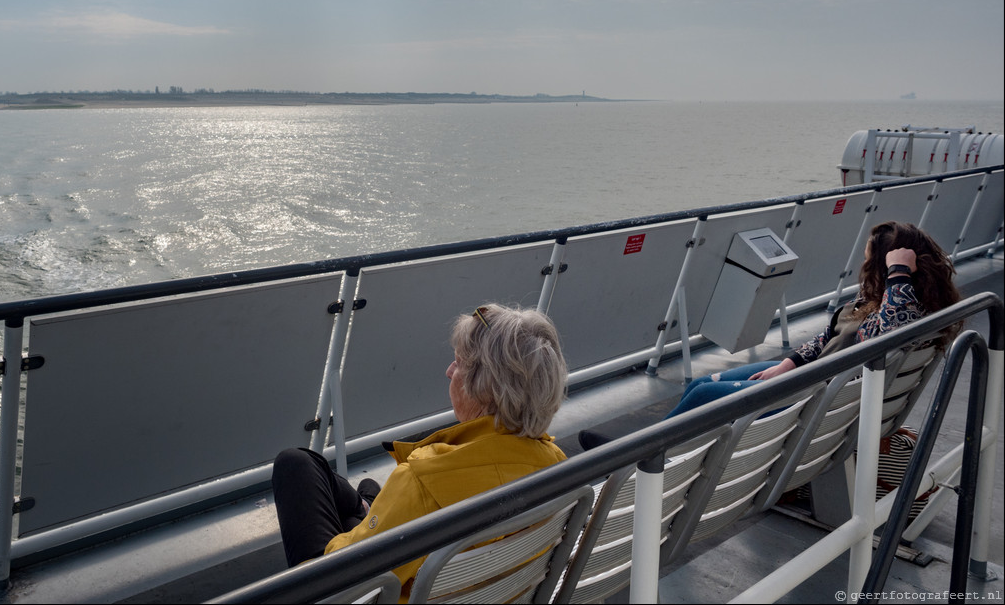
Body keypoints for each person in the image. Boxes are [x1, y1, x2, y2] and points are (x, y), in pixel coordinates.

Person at [272, 303, 568, 598]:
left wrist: (347, 541)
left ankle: (369, 508)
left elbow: (341, 582)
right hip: (499, 590)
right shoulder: (558, 467)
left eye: (460, 363)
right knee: (360, 488)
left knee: (295, 465)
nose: (449, 371)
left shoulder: (423, 480)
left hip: (348, 589)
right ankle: (369, 506)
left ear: (485, 388)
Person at [581, 221, 960, 447]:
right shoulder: (879, 299)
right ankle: (648, 450)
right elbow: (828, 336)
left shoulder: (901, 311)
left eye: (870, 258)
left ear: (894, 266)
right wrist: (788, 363)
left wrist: (897, 274)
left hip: (813, 399)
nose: (863, 263)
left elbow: (889, 332)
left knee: (709, 396)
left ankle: (634, 458)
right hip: (806, 378)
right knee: (697, 387)